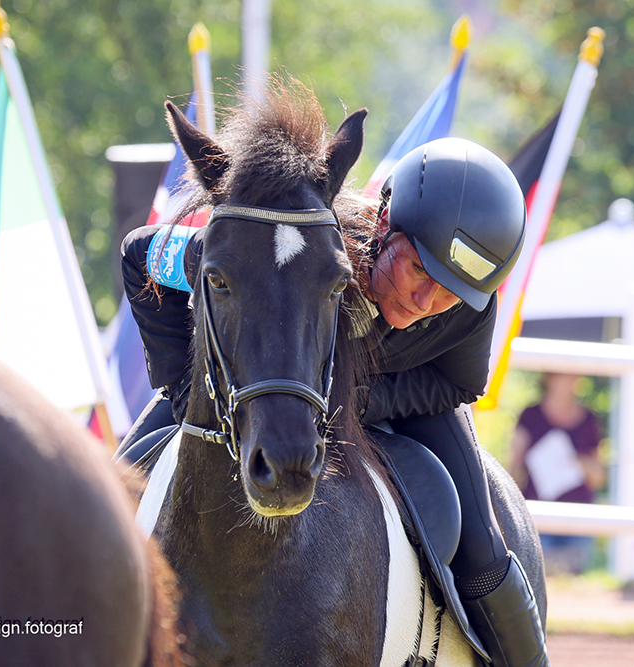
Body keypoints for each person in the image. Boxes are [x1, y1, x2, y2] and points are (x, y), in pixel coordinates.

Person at [119, 137, 548, 667]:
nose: (425, 302)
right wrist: (185, 385)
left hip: (403, 401)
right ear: (386, 220)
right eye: (418, 269)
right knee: (114, 485)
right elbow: (138, 253)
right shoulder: (301, 250)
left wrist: (356, 396)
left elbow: (458, 385)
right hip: (246, 387)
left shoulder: (470, 303)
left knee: (482, 546)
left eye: (448, 292)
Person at [510, 373, 605, 574]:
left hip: (578, 517)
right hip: (536, 516)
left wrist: (577, 461)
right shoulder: (530, 415)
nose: (570, 381)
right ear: (549, 379)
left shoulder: (589, 420)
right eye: (563, 375)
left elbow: (598, 478)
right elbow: (514, 468)